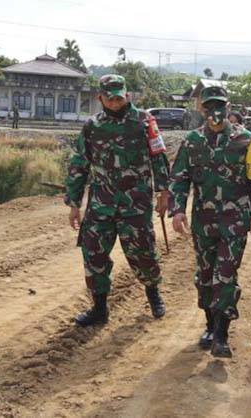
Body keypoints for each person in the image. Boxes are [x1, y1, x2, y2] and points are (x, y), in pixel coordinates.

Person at [169, 86, 251, 357]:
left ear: (228, 107)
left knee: (225, 275)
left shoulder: (246, 139)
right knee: (205, 275)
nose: (215, 112)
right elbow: (179, 178)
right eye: (209, 106)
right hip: (204, 221)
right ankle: (210, 326)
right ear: (202, 109)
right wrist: (177, 210)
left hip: (235, 221)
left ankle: (222, 334)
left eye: (220, 106)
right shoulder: (192, 141)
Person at [65, 75, 170, 327]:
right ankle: (99, 308)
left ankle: (153, 293)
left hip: (136, 204)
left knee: (143, 253)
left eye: (119, 98)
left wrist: (164, 192)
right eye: (110, 98)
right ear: (100, 98)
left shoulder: (144, 121)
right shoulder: (92, 126)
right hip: (101, 203)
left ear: (127, 96)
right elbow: (80, 164)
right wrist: (74, 204)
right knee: (94, 254)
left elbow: (158, 156)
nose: (115, 103)